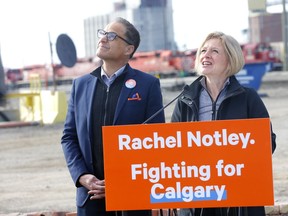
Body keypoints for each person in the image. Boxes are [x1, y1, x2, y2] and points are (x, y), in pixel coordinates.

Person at [61, 17, 165, 216]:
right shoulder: (80, 85)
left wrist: (121, 181)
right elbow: (69, 137)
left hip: (131, 197)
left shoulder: (148, 85)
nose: (103, 39)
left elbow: (154, 141)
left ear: (128, 49)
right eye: (103, 34)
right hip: (90, 196)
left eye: (111, 36)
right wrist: (82, 176)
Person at [171, 31, 276, 216]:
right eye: (203, 50)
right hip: (198, 195)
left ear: (230, 59)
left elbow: (268, 143)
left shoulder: (248, 97)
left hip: (240, 197)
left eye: (214, 51)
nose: (206, 55)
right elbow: (172, 146)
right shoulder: (184, 99)